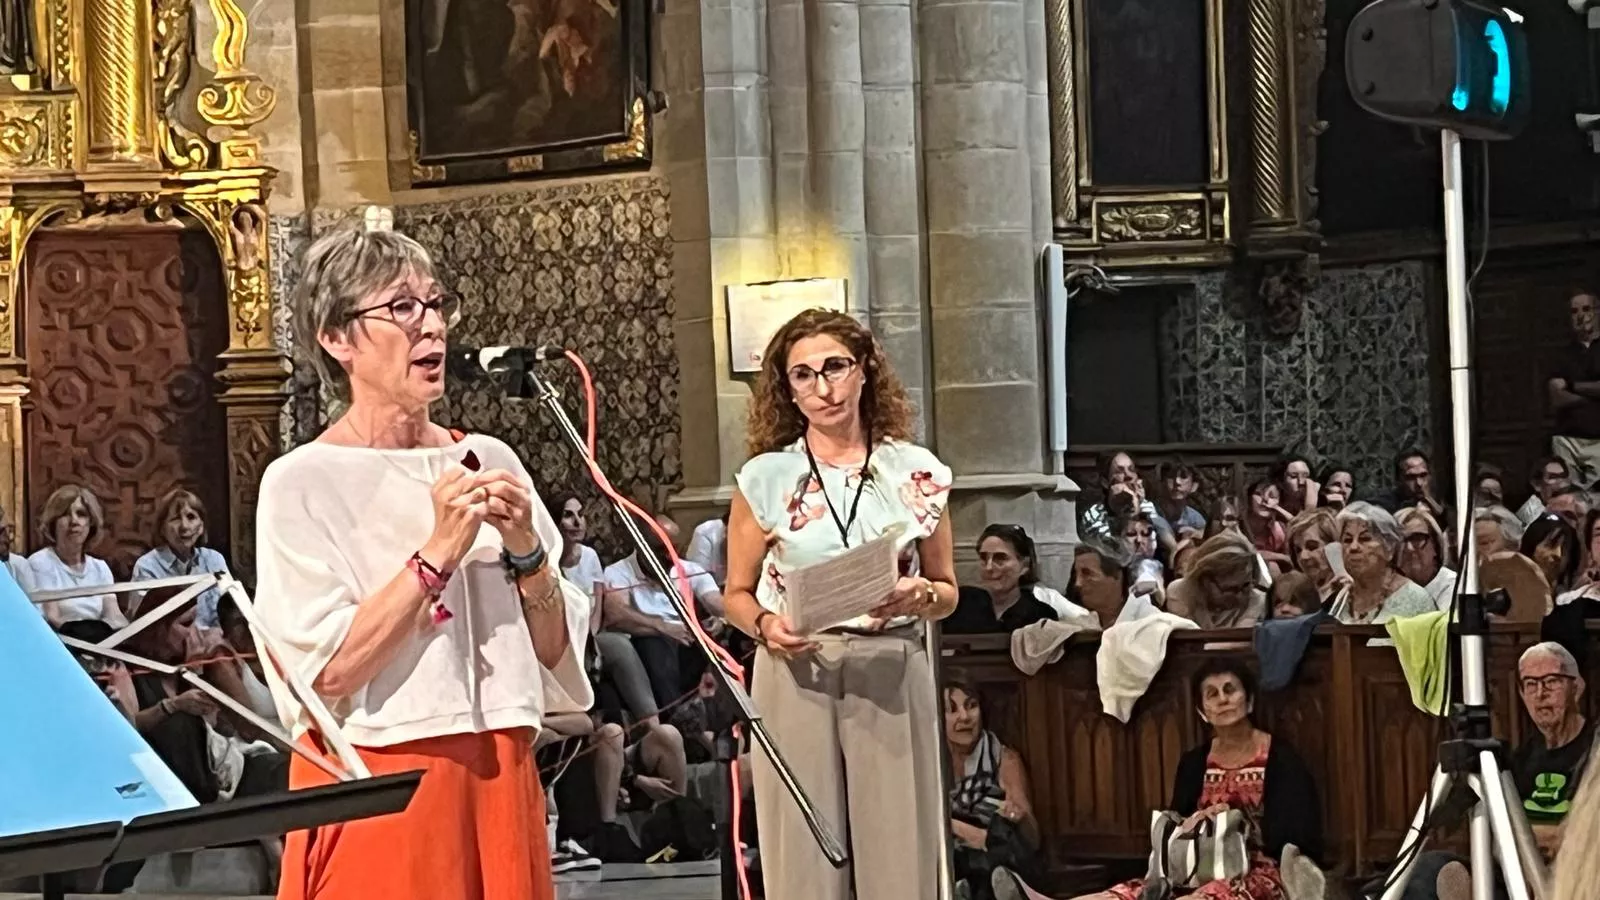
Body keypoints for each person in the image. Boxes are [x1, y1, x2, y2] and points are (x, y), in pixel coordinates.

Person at [254, 228, 591, 900]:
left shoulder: (492, 458)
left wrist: (526, 552)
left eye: (436, 305)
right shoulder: (302, 481)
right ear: (338, 338)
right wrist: (436, 553)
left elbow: (555, 652)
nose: (430, 325)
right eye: (401, 308)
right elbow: (329, 672)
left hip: (499, 766)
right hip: (381, 777)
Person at [722, 308, 958, 900]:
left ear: (864, 371)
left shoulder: (917, 470)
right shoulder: (765, 477)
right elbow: (735, 595)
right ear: (788, 390)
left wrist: (921, 594)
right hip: (796, 665)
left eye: (835, 367)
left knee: (900, 847)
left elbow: (948, 588)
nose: (822, 388)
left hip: (890, 661)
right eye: (803, 375)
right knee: (805, 850)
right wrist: (767, 625)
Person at [994, 658, 1322, 900]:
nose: (1222, 699)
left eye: (1229, 690)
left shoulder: (1280, 758)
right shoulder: (1195, 762)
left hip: (1257, 871)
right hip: (1196, 863)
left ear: (1248, 701)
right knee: (1128, 893)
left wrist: (1239, 821)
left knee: (1207, 896)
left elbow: (1296, 838)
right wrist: (1195, 820)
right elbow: (1175, 825)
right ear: (1202, 712)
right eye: (1212, 694)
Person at [946, 673, 1040, 900]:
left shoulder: (1003, 757)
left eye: (971, 706)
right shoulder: (928, 761)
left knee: (1002, 845)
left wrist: (1018, 815)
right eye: (952, 709)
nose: (965, 717)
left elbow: (1032, 839)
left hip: (997, 861)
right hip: (951, 858)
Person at [131, 489, 232, 631]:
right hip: (168, 648)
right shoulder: (147, 566)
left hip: (215, 644)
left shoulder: (214, 560)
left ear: (201, 527)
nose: (185, 526)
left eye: (191, 517)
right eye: (176, 518)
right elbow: (140, 627)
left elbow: (231, 611)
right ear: (162, 528)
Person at [29, 485, 126, 628]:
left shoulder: (100, 567)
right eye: (65, 514)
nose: (74, 521)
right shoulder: (40, 562)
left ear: (91, 523)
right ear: (53, 522)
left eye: (81, 514)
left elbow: (114, 616)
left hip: (101, 643)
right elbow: (52, 618)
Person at [1328, 502, 1434, 625]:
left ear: (1390, 548)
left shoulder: (1415, 600)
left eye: (1365, 539)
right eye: (1347, 540)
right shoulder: (1342, 597)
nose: (1353, 547)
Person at [945, 524, 1063, 633]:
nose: (989, 567)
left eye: (1000, 558)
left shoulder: (1040, 615)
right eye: (983, 558)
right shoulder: (960, 605)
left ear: (1024, 566)